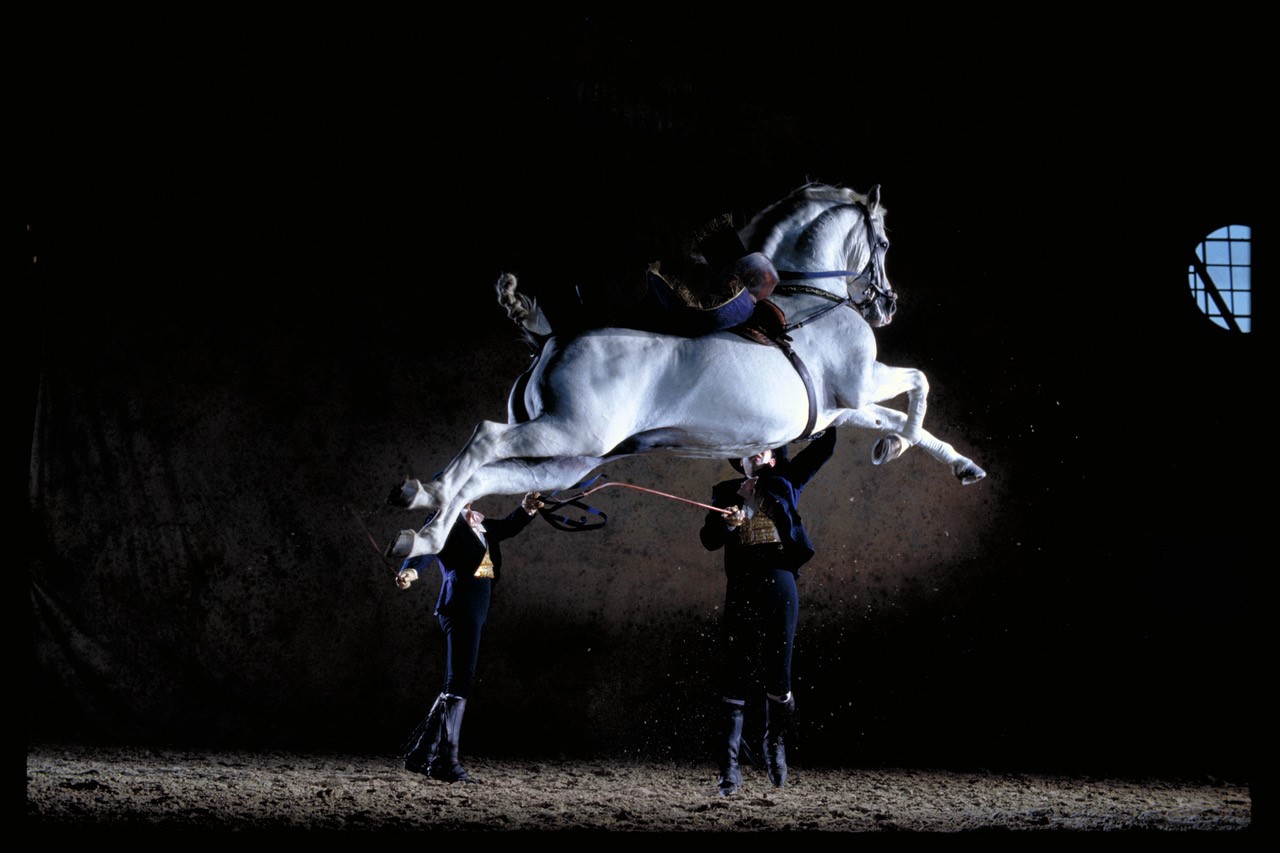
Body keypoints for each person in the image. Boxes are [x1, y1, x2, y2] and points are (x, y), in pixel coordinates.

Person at [698, 427, 838, 796]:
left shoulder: (786, 480)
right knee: (736, 669)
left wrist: (813, 425)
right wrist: (732, 518)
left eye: (764, 448)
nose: (756, 452)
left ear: (773, 457)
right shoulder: (725, 492)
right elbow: (709, 540)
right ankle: (729, 769)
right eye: (749, 450)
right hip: (742, 582)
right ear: (740, 459)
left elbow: (826, 446)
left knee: (780, 669)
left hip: (779, 578)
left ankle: (774, 743)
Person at [395, 490, 544, 783]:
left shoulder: (479, 524)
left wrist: (526, 509)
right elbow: (425, 547)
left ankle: (422, 753)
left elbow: (508, 527)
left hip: (476, 607)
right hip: (459, 605)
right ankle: (444, 761)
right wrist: (410, 572)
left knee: (457, 681)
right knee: (460, 682)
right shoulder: (442, 520)